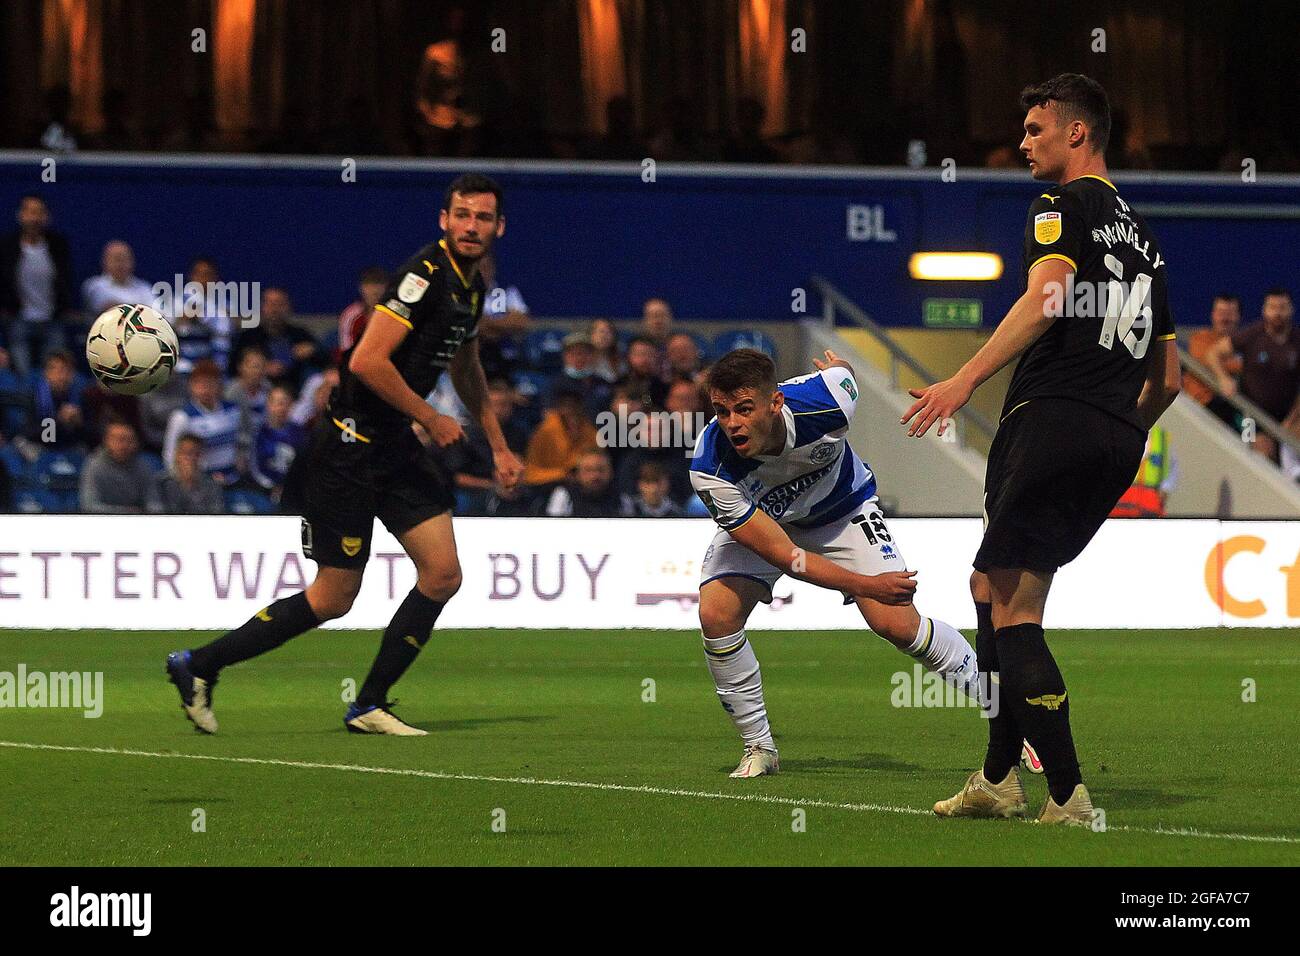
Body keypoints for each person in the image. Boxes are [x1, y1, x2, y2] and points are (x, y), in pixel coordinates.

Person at [902, 74, 1181, 825]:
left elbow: (1047, 296)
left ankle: (1067, 794)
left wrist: (961, 379)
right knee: (988, 590)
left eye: (1034, 130)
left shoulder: (1060, 206)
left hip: (1053, 418)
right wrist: (1119, 429)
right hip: (1117, 431)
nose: (1023, 145)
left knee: (1017, 609)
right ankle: (997, 778)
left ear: (1076, 133)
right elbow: (1173, 379)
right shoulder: (1147, 242)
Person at [166, 173, 522, 736]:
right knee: (334, 598)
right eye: (462, 214)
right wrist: (430, 416)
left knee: (443, 574)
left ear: (498, 226)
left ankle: (370, 704)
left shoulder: (472, 285)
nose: (471, 226)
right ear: (443, 219)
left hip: (394, 449)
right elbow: (366, 363)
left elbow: (464, 363)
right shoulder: (422, 277)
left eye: (482, 217)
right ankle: (199, 665)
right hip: (348, 451)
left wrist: (497, 443)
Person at [691, 348, 982, 779]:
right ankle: (760, 747)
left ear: (776, 403)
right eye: (722, 411)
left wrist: (842, 367)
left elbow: (845, 376)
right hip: (770, 525)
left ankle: (1009, 713)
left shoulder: (828, 401)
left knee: (898, 626)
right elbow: (787, 557)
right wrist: (866, 585)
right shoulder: (711, 468)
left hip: (842, 512)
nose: (732, 423)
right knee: (716, 613)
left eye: (744, 409)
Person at [1202, 288, 1299, 462]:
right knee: (1262, 449)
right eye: (1272, 307)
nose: (1277, 313)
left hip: (1288, 418)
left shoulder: (1297, 340)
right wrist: (1224, 378)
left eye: (1282, 307)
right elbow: (1213, 354)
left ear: (1291, 309)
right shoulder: (1252, 334)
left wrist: (1291, 421)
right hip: (1251, 415)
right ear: (1264, 310)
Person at [0, 194, 76, 377]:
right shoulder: (7, 247)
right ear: (21, 215)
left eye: (39, 213)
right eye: (30, 212)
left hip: (52, 321)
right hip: (18, 321)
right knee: (22, 375)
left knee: (53, 377)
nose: (34, 218)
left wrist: (63, 308)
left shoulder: (58, 246)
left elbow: (65, 280)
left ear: (47, 217)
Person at [163, 359, 242, 486]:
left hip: (233, 477)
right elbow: (170, 454)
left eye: (210, 384)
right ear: (191, 386)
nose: (204, 389)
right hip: (201, 483)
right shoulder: (182, 417)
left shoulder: (233, 410)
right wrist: (181, 481)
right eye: (199, 384)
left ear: (219, 385)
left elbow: (241, 441)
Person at [1184, 294, 1242, 428]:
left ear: (1238, 316)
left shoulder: (1244, 342)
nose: (1225, 318)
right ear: (1212, 315)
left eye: (1230, 313)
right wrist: (1234, 366)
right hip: (1200, 404)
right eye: (1221, 313)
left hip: (1234, 407)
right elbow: (1204, 359)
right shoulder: (1200, 338)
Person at [79, 418, 154, 514]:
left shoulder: (144, 466)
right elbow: (89, 506)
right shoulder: (94, 465)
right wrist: (127, 513)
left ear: (136, 443)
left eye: (129, 440)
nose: (124, 445)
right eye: (119, 440)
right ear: (107, 441)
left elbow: (154, 503)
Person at [248, 384, 306, 500]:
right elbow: (253, 466)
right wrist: (271, 487)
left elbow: (304, 466)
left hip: (292, 490)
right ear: (269, 404)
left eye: (286, 403)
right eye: (278, 403)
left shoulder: (300, 433)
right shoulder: (257, 432)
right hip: (260, 491)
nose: (281, 408)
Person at [538, 448, 630, 517]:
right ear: (578, 474)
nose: (595, 476)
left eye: (601, 470)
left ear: (611, 473)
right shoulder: (564, 495)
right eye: (588, 470)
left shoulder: (622, 498)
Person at [148, 433, 224, 514]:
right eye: (187, 453)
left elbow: (217, 516)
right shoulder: (160, 483)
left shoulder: (211, 485)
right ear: (177, 456)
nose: (191, 459)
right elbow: (155, 515)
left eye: (197, 454)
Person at [81, 241, 155, 316]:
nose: (121, 264)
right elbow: (109, 308)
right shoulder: (94, 285)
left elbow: (156, 313)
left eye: (125, 259)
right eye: (116, 259)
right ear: (105, 261)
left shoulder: (144, 287)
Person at [336, 265, 388, 357]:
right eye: (369, 285)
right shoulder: (350, 316)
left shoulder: (394, 314)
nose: (375, 291)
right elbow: (346, 352)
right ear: (361, 288)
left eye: (379, 284)